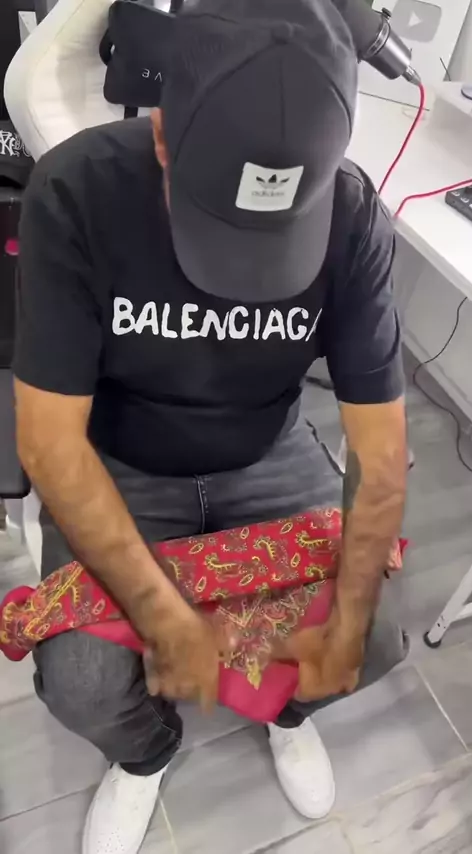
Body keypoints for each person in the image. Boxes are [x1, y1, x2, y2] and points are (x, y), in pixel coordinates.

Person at [13, 0, 409, 851]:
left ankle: (284, 711)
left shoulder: (351, 215)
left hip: (265, 451)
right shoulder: (77, 191)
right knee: (81, 681)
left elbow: (380, 447)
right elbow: (48, 441)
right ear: (162, 133)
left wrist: (346, 613)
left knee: (375, 629)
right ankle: (147, 754)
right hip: (121, 460)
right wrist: (161, 612)